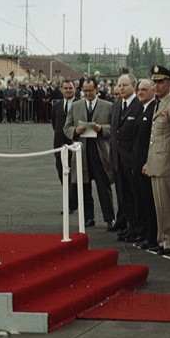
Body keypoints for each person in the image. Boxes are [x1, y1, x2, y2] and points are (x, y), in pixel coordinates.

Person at [64, 78, 114, 228]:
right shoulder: (75, 106)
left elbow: (114, 128)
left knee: (103, 187)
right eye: (85, 91)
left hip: (100, 152)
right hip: (82, 152)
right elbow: (66, 128)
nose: (88, 93)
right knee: (84, 186)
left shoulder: (108, 106)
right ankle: (88, 217)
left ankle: (109, 218)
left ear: (97, 89)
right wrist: (75, 131)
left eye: (90, 91)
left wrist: (101, 129)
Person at [143, 66, 170, 255]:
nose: (156, 85)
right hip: (156, 161)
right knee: (159, 204)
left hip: (166, 161)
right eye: (155, 82)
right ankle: (162, 239)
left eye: (160, 82)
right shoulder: (159, 104)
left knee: (168, 204)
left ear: (169, 83)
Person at [110, 73, 142, 239]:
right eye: (119, 85)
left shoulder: (139, 106)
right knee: (123, 195)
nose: (121, 88)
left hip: (131, 158)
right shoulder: (116, 106)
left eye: (125, 85)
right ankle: (130, 225)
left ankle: (139, 227)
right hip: (117, 158)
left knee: (135, 194)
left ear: (133, 87)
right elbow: (114, 134)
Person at [132, 79, 158, 250]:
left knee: (150, 203)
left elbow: (153, 140)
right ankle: (146, 234)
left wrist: (149, 162)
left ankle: (152, 237)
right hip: (138, 163)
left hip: (148, 165)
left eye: (144, 89)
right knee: (142, 201)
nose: (140, 92)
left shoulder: (153, 108)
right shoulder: (143, 109)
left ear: (153, 91)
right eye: (139, 89)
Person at [50, 79, 78, 212]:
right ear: (61, 90)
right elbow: (54, 123)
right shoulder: (57, 105)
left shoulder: (80, 104)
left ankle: (73, 203)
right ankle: (69, 201)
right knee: (62, 173)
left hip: (75, 144)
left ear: (75, 89)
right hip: (59, 145)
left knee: (75, 174)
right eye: (65, 88)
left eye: (70, 88)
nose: (68, 90)